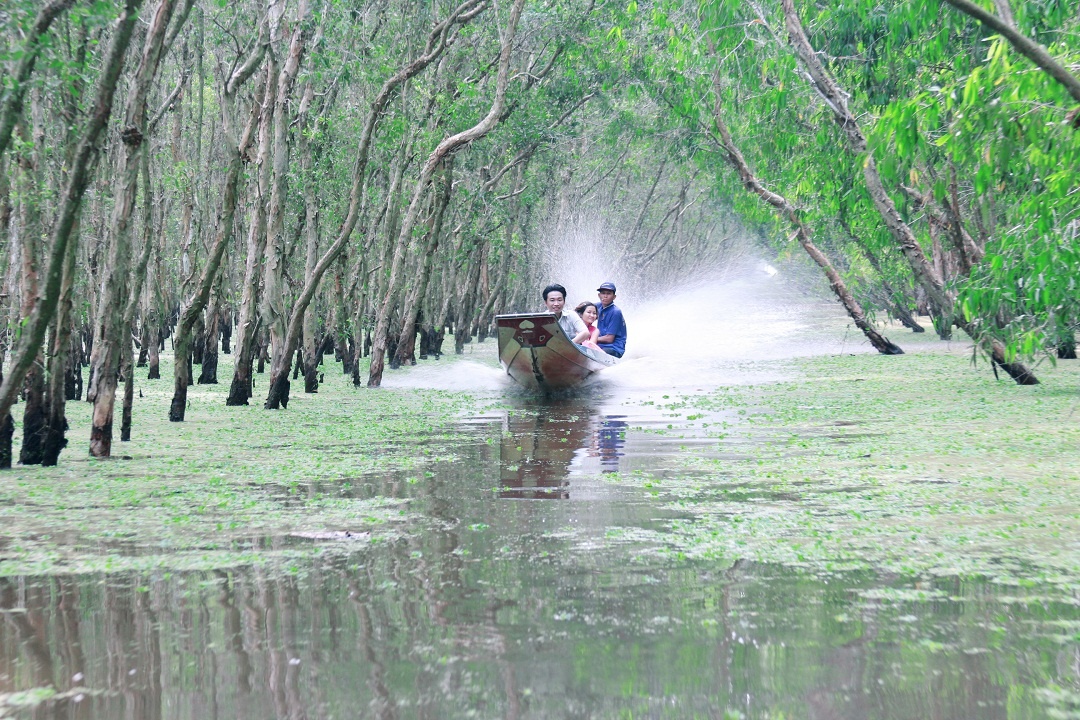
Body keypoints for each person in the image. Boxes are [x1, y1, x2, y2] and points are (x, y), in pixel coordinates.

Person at [595, 282, 626, 357]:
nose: (605, 296)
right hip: (599, 345)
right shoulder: (597, 306)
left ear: (614, 297)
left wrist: (590, 338)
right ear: (599, 295)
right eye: (603, 293)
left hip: (614, 348)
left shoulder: (616, 312)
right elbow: (583, 309)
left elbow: (609, 339)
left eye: (608, 293)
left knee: (600, 353)